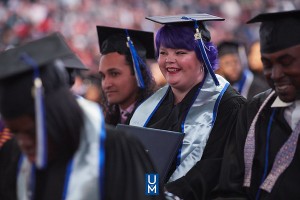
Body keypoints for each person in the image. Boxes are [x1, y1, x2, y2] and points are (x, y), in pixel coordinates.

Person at [0, 33, 164, 200]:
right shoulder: (14, 155)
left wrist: (159, 183)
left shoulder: (119, 147)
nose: (23, 142)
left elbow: (152, 188)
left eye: (31, 131)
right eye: (103, 76)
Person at [129, 13, 246, 199]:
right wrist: (147, 192)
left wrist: (164, 195)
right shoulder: (152, 107)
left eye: (180, 52)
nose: (169, 60)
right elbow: (147, 163)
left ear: (203, 56)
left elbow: (214, 169)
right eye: (163, 52)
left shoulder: (229, 106)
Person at [214, 9, 300, 200]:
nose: (276, 74)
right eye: (267, 64)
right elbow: (229, 186)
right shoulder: (253, 110)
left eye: (286, 62)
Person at [97, 26, 156, 126]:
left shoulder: (157, 119)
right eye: (103, 76)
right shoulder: (105, 121)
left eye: (114, 74)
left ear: (138, 74)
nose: (106, 84)